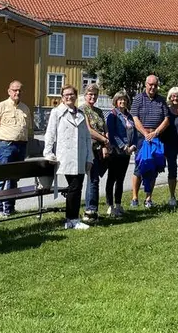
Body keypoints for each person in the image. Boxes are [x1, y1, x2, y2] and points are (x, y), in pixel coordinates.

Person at [44, 85, 93, 230]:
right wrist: (48, 153)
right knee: (74, 186)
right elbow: (50, 133)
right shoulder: (57, 112)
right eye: (66, 95)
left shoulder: (81, 114)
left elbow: (86, 137)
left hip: (80, 156)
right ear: (62, 97)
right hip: (65, 157)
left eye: (71, 94)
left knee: (77, 187)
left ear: (76, 96)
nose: (69, 97)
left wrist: (89, 157)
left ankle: (72, 219)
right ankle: (71, 219)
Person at [0, 80, 33, 217]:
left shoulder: (25, 108)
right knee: (0, 177)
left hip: (21, 146)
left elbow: (29, 130)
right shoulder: (1, 106)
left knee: (14, 178)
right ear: (9, 91)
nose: (17, 92)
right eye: (14, 90)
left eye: (19, 90)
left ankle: (10, 208)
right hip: (5, 145)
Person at [130, 74, 172, 209]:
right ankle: (135, 197)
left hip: (156, 137)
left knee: (153, 168)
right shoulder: (138, 98)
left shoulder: (161, 100)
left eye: (155, 85)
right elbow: (135, 118)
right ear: (145, 84)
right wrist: (145, 133)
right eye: (150, 84)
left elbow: (166, 119)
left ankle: (148, 198)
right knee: (139, 167)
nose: (152, 87)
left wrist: (155, 133)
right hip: (142, 137)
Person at [80, 83, 110, 221]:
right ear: (85, 95)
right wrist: (104, 139)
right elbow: (88, 130)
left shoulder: (98, 111)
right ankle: (89, 210)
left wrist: (105, 143)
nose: (92, 97)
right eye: (90, 94)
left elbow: (105, 128)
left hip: (99, 149)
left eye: (95, 94)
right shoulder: (82, 110)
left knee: (96, 180)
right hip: (89, 149)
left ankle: (94, 210)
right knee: (92, 179)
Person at [105, 91, 136, 217]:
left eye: (124, 100)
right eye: (120, 100)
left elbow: (133, 132)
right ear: (116, 101)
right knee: (111, 178)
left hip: (127, 153)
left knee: (121, 179)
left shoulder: (129, 116)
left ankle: (118, 204)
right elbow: (112, 134)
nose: (122, 102)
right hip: (116, 152)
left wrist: (133, 146)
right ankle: (110, 206)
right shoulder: (112, 115)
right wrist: (123, 147)